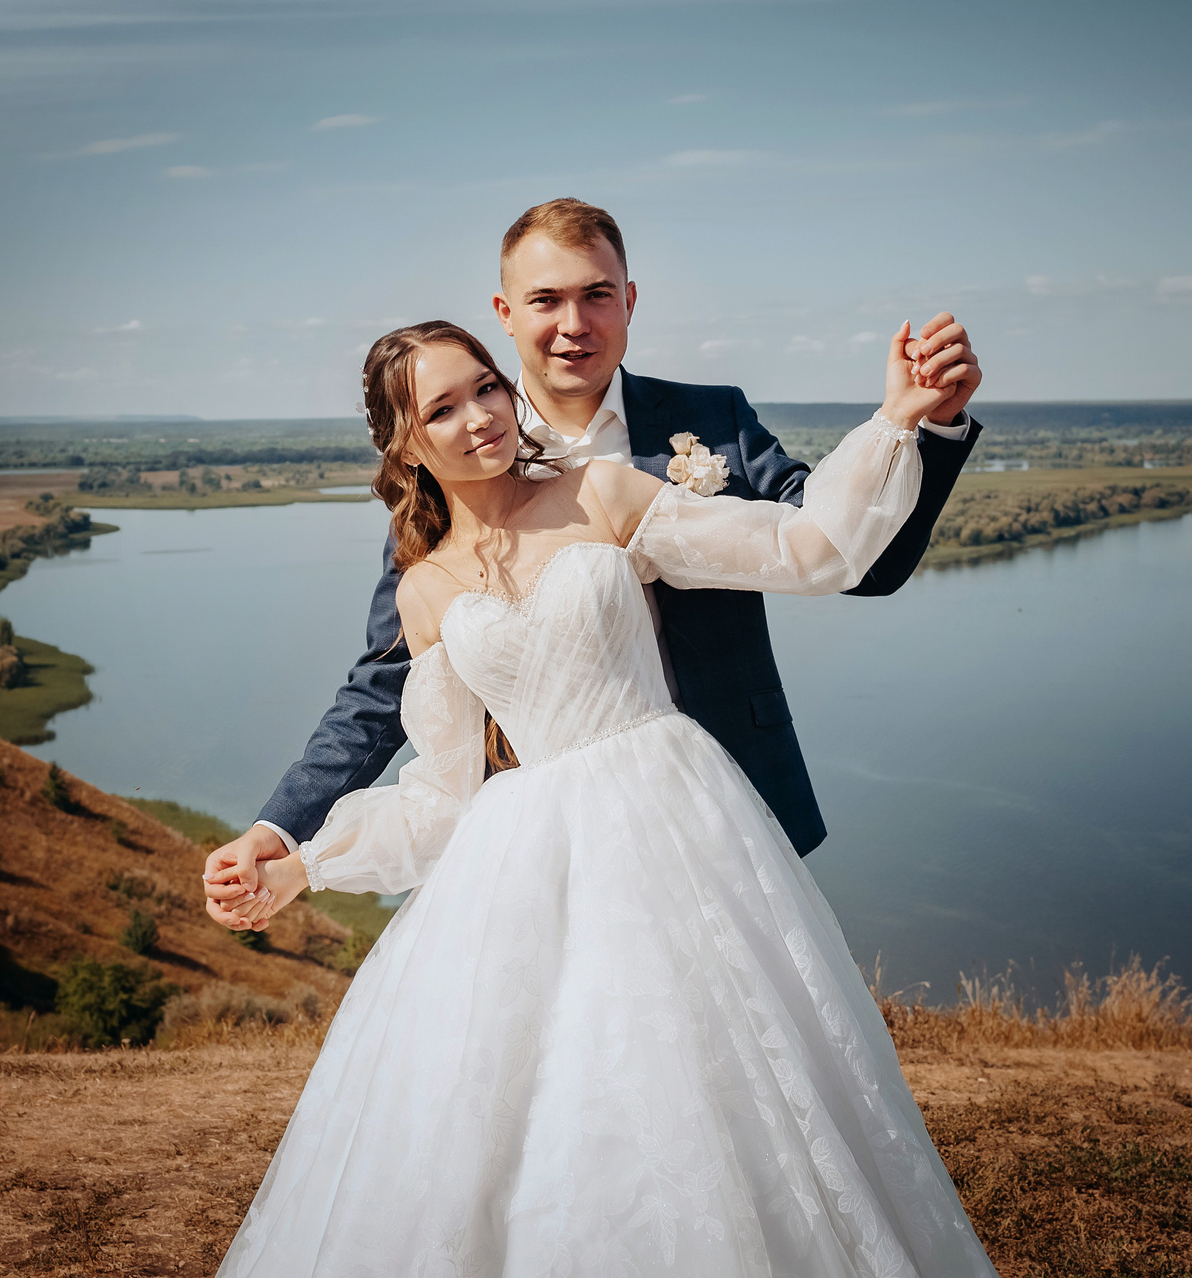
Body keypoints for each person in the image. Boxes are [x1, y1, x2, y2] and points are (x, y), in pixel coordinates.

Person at [211, 317, 998, 1274]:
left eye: (486, 389)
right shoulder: (423, 591)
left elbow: (810, 549)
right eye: (442, 409)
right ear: (406, 444)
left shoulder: (605, 491)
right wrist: (303, 864)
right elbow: (446, 796)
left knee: (717, 1091)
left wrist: (898, 421)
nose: (479, 418)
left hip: (676, 820)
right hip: (523, 858)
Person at [204, 198, 981, 921]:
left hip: (724, 801)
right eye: (545, 299)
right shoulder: (443, 505)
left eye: (597, 294)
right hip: (545, 842)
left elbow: (844, 554)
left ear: (629, 301)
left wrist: (923, 426)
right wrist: (283, 831)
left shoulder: (713, 421)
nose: (573, 323)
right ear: (506, 314)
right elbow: (386, 686)